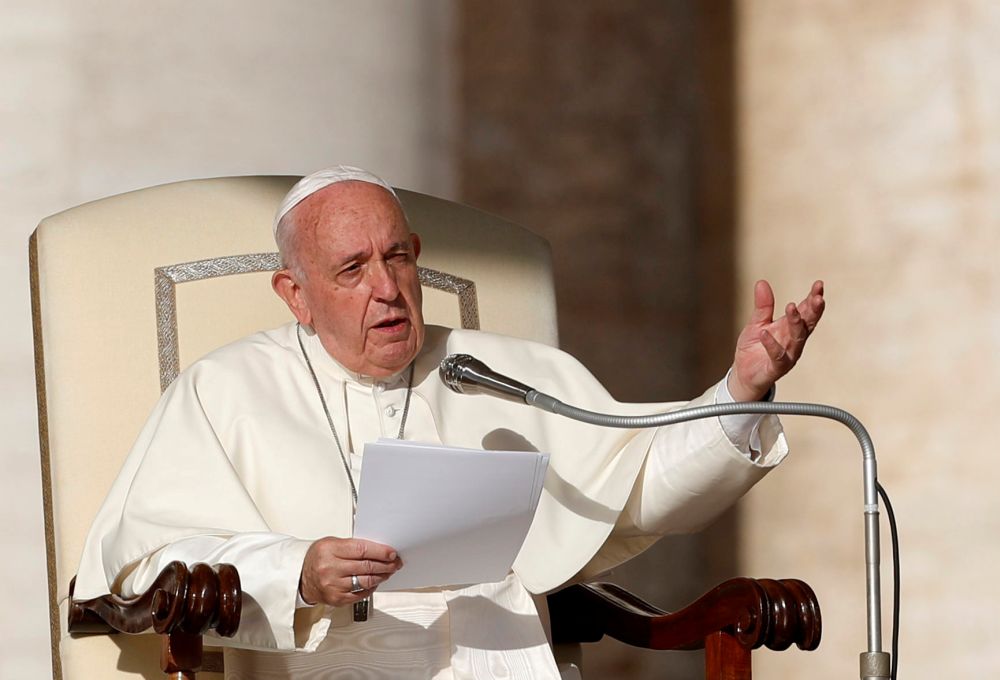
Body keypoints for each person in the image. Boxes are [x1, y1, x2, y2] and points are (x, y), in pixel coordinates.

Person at [74, 166, 825, 679]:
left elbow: (638, 481)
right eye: (351, 269)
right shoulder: (225, 391)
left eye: (398, 258)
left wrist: (741, 389)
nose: (388, 289)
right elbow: (145, 564)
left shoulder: (496, 372)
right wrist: (296, 570)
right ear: (294, 294)